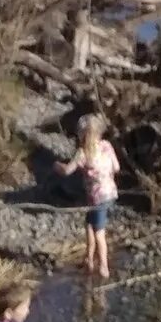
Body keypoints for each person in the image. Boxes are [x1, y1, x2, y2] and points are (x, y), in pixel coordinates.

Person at [57, 112, 120, 280]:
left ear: (81, 134)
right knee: (89, 223)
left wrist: (57, 166)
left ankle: (104, 267)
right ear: (100, 133)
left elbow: (67, 171)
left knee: (99, 231)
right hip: (110, 193)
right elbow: (117, 168)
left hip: (97, 198)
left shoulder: (82, 153)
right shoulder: (107, 146)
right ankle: (89, 258)